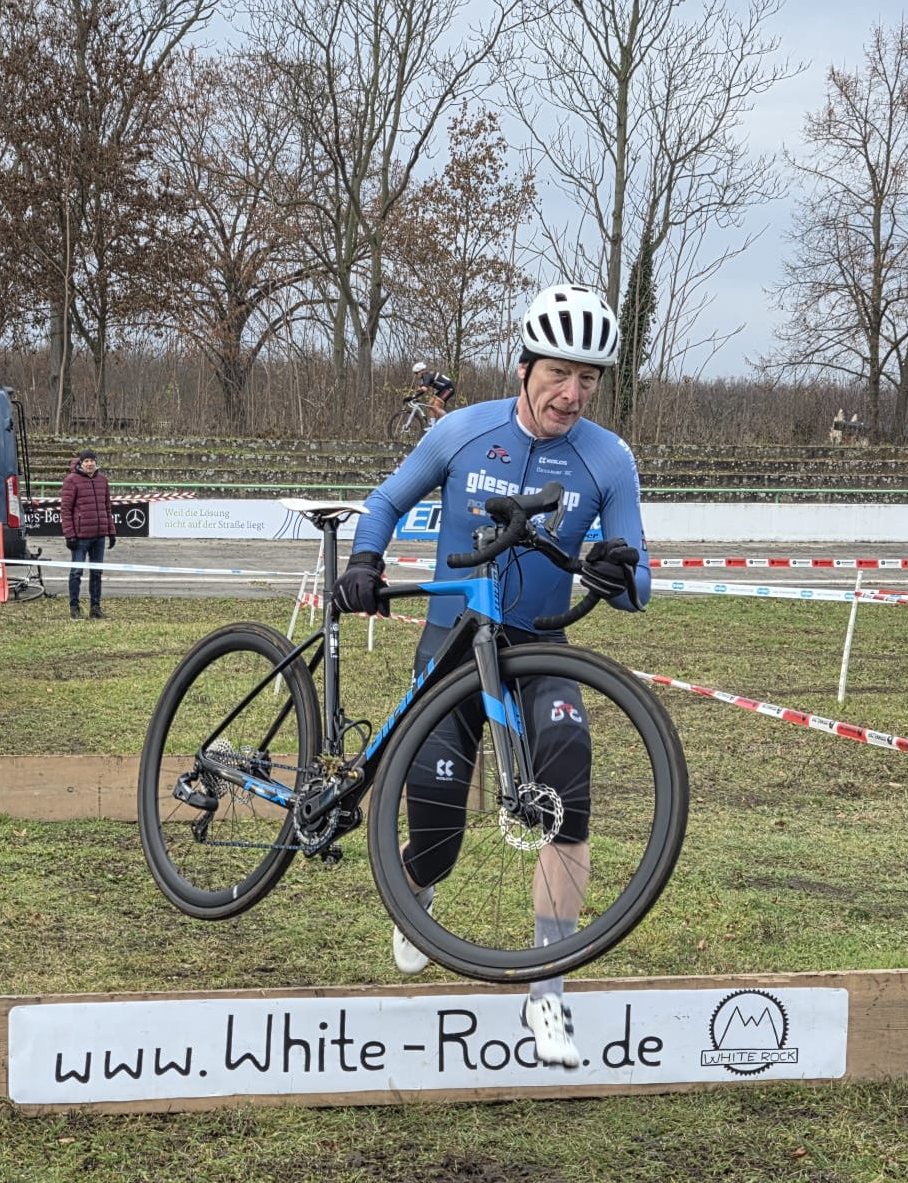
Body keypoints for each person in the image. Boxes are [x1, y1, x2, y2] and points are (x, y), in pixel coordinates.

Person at [336, 284, 650, 1068]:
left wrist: (619, 573)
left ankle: (548, 988)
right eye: (558, 374)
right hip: (451, 646)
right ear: (523, 368)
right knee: (436, 833)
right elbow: (385, 501)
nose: (572, 393)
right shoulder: (461, 430)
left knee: (568, 784)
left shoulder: (608, 458)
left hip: (539, 652)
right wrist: (366, 558)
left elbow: (639, 581)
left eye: (588, 379)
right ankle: (419, 892)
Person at [61, 447, 116, 619]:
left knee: (96, 573)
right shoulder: (71, 480)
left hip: (99, 536)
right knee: (76, 572)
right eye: (86, 461)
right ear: (81, 463)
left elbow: (107, 507)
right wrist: (69, 535)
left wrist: (111, 531)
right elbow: (66, 510)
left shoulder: (102, 480)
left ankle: (95, 607)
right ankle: (74, 607)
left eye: (92, 460)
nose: (90, 464)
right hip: (80, 537)